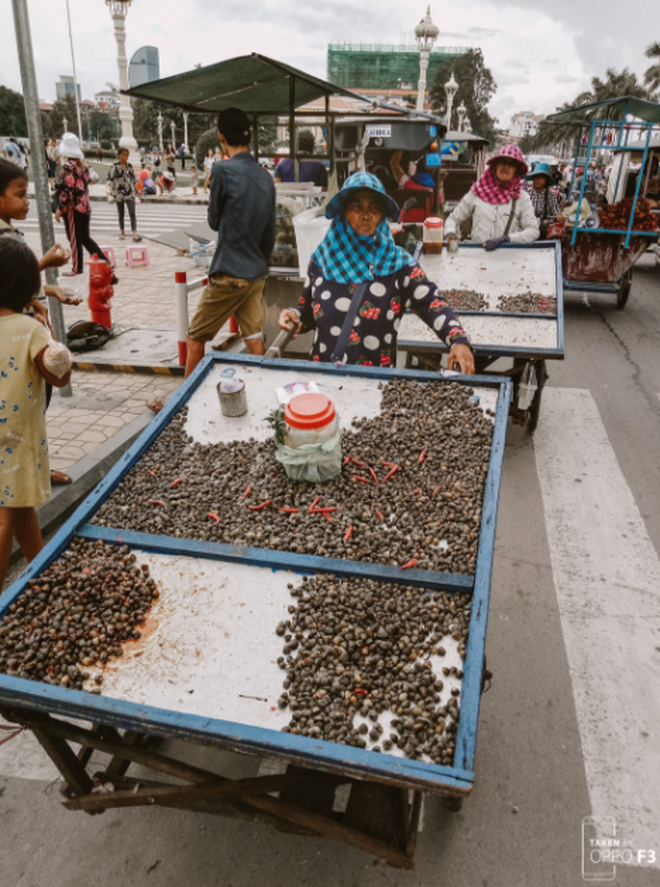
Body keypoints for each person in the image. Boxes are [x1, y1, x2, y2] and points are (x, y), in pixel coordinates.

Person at [278, 171, 474, 373]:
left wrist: (457, 339)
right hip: (323, 378)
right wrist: (294, 315)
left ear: (381, 215)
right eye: (356, 206)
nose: (366, 214)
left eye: (374, 207)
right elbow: (308, 311)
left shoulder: (398, 265)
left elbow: (433, 303)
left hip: (375, 383)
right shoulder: (321, 261)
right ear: (343, 212)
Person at [0, 158, 81, 485]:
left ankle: (31, 466)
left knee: (31, 402)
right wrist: (46, 261)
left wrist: (49, 291)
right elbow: (9, 280)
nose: (25, 202)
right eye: (19, 194)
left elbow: (15, 282)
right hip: (16, 333)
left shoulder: (9, 230)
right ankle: (23, 470)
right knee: (23, 401)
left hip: (20, 322)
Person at [0, 237, 73, 590]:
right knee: (3, 520)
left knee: (18, 503)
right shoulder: (29, 330)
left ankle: (43, 571)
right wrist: (46, 327)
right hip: (15, 439)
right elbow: (59, 374)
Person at [183, 108, 275, 375]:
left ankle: (186, 407)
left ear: (221, 136)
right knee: (254, 338)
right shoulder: (266, 177)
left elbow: (213, 221)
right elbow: (268, 235)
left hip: (230, 272)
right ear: (251, 135)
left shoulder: (221, 170)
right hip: (256, 274)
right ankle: (264, 389)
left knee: (195, 337)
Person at [444, 144, 539, 249]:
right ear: (496, 165)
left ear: (516, 170)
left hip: (506, 258)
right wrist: (450, 234)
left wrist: (507, 239)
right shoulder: (477, 192)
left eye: (511, 164)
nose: (506, 167)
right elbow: (453, 218)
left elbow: (533, 230)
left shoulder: (522, 198)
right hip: (477, 256)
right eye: (502, 162)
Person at [53, 133, 115, 278]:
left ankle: (77, 268)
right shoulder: (84, 166)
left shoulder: (68, 167)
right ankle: (105, 261)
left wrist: (59, 210)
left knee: (74, 239)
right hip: (85, 207)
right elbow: (90, 181)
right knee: (85, 238)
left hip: (73, 209)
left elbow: (67, 191)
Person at [389, 149, 443, 222]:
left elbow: (393, 164)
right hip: (424, 225)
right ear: (432, 173)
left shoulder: (407, 183)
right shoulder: (436, 193)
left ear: (417, 171)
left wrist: (400, 148)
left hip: (405, 222)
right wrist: (440, 181)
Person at [106, 148, 142, 242]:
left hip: (129, 192)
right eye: (123, 155)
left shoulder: (129, 166)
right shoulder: (115, 166)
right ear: (119, 155)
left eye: (127, 155)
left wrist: (135, 189)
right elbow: (110, 178)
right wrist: (110, 188)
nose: (125, 157)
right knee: (121, 214)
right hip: (119, 193)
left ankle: (134, 235)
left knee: (132, 213)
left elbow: (132, 179)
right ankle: (122, 233)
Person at [523, 162, 563, 237]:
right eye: (536, 177)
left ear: (546, 180)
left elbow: (556, 211)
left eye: (541, 177)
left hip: (543, 229)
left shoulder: (551, 195)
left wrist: (559, 216)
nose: (538, 180)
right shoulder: (526, 194)